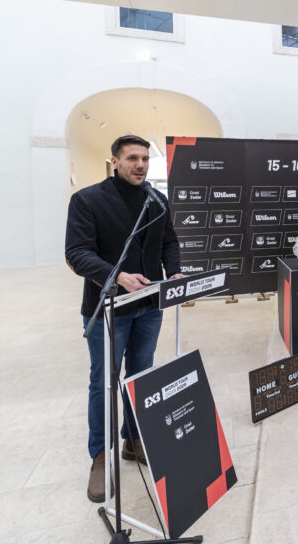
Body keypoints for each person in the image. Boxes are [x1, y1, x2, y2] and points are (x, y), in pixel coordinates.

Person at [65, 134, 183, 503]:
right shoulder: (87, 200)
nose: (140, 165)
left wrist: (174, 271)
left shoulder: (157, 200)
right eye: (132, 158)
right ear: (115, 161)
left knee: (141, 375)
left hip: (149, 307)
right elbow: (77, 253)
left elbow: (169, 242)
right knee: (104, 382)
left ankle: (133, 439)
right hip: (108, 309)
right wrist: (116, 276)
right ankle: (100, 457)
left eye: (145, 158)